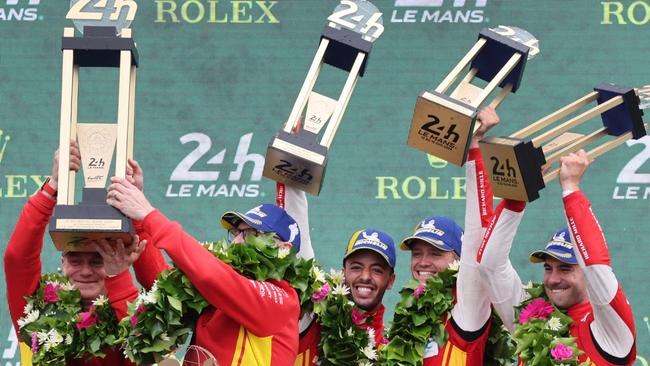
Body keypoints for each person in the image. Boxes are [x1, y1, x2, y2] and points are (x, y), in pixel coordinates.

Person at [107, 170, 302, 365]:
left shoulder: (283, 300)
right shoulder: (222, 294)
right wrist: (139, 221)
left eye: (250, 233)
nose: (236, 241)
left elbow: (211, 275)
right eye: (236, 232)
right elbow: (164, 283)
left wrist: (148, 215)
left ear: (283, 248)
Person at [477, 150, 637, 365]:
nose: (552, 279)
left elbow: (596, 266)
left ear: (586, 275)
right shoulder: (531, 318)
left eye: (565, 268)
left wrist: (571, 188)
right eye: (548, 268)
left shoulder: (610, 328)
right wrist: (517, 196)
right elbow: (490, 267)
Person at [4, 141, 144, 366]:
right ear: (63, 262)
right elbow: (17, 259)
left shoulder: (127, 310)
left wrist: (119, 275)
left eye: (98, 260)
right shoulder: (35, 309)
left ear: (115, 261)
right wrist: (54, 186)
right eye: (76, 260)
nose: (86, 271)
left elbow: (143, 346)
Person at [397, 107, 499, 365]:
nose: (423, 261)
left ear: (458, 260)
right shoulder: (413, 313)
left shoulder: (468, 306)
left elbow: (478, 228)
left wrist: (475, 145)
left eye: (435, 253)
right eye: (417, 252)